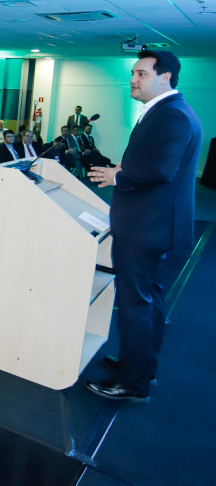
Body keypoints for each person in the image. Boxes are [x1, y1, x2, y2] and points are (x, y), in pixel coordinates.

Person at [86, 50, 202, 403]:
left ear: (165, 76)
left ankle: (132, 383)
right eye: (133, 73)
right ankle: (141, 367)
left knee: (135, 302)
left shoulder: (173, 116)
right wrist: (128, 165)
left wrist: (116, 175)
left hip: (145, 226)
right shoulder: (167, 112)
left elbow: (162, 172)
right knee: (149, 298)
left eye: (141, 73)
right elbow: (157, 163)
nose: (133, 79)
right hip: (151, 223)